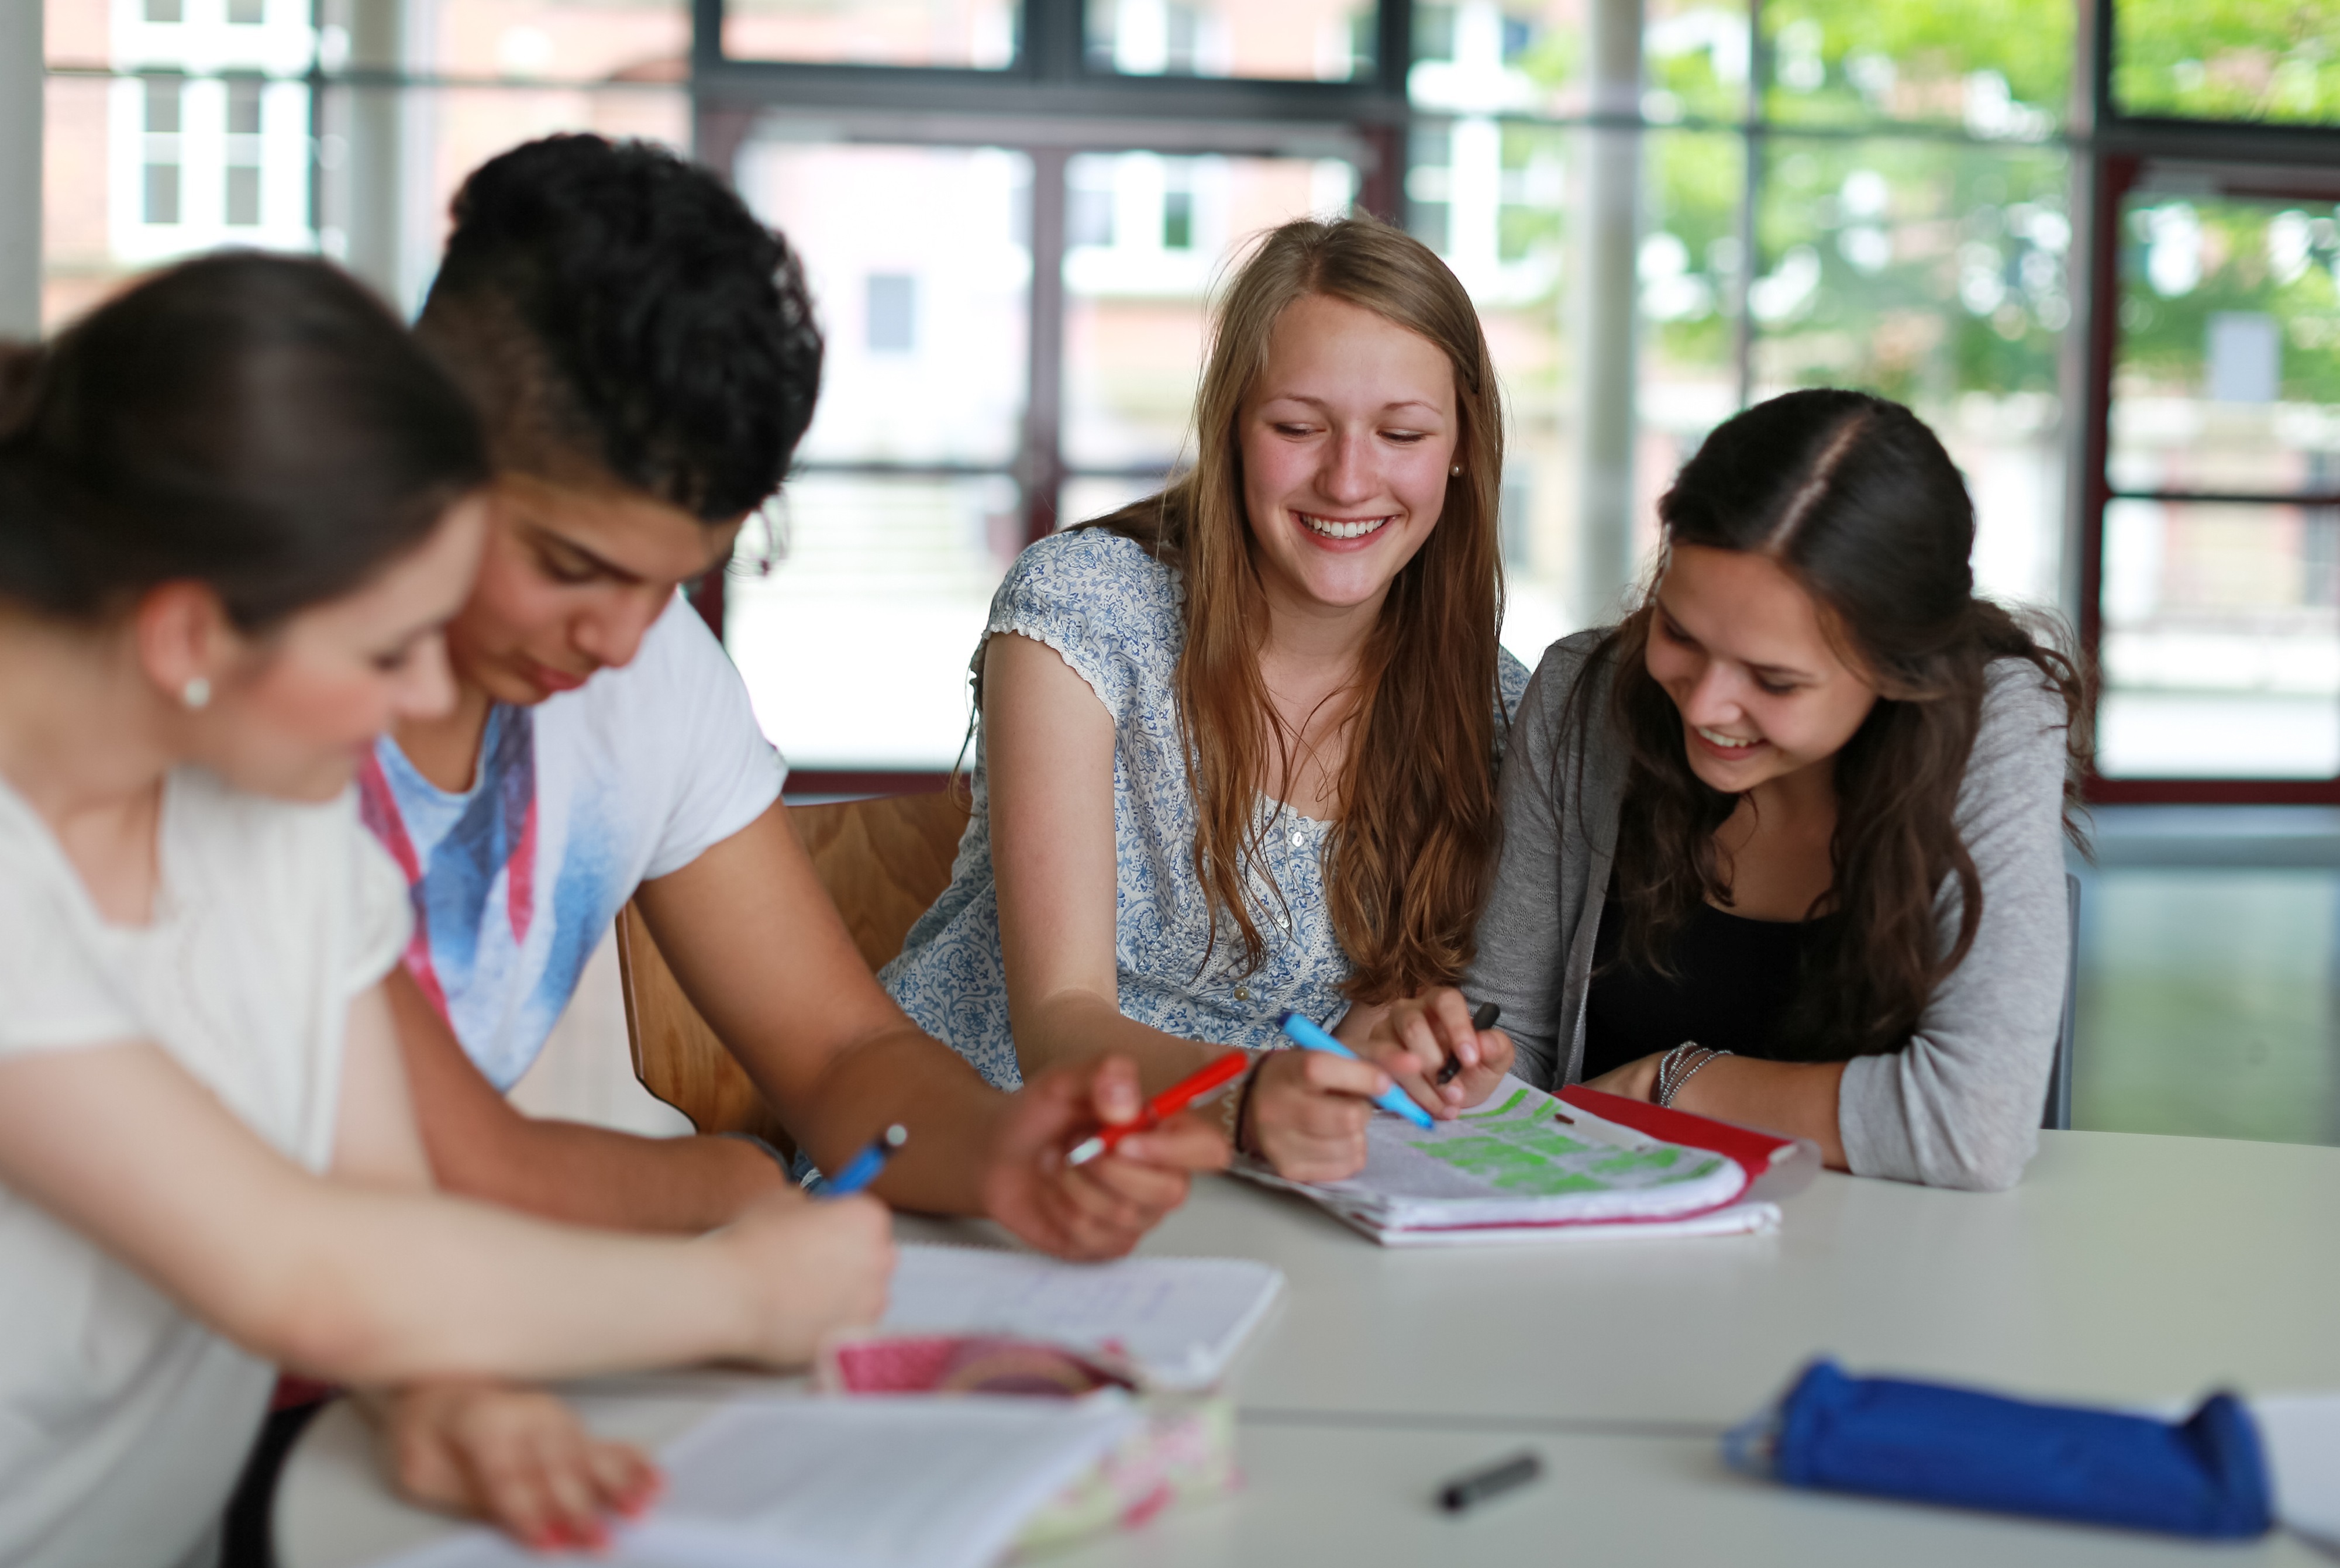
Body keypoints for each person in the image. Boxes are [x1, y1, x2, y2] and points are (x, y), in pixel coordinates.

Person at [0, 254, 894, 1568]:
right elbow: (294, 1266)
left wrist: (448, 1391)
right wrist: (738, 1289)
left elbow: (379, 1204)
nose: (427, 688)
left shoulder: (271, 806)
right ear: (188, 636)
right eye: (385, 651)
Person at [374, 135, 1224, 1254]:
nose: (625, 636)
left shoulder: (651, 671)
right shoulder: (261, 713)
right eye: (575, 566)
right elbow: (393, 1168)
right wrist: (724, 1187)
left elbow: (836, 1054)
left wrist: (1005, 1150)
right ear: (422, 445)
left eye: (684, 572)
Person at [881, 215, 1532, 1184]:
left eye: (1400, 433)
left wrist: (1394, 1043)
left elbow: (1349, 1028)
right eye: (1297, 427)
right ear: (1229, 428)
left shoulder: (1490, 707)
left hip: (1249, 1183)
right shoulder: (1083, 610)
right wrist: (1254, 1094)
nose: (1348, 479)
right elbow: (1059, 1020)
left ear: (1460, 449)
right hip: (980, 1151)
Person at [1368, 388, 2087, 1192]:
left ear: (1899, 669)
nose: (1706, 706)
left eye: (1773, 680)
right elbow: (1521, 1042)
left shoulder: (1993, 723)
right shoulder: (1584, 696)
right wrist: (1466, 1067)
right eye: (1677, 632)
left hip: (1884, 1272)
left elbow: (1974, 1121)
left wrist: (1671, 1084)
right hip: (1604, 1249)